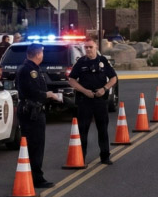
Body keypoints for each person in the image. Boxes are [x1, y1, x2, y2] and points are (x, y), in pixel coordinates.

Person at [67, 39, 119, 165]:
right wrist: (84, 91)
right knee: (83, 130)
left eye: (90, 47)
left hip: (100, 99)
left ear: (96, 46)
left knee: (102, 129)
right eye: (86, 47)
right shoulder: (81, 62)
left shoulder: (103, 61)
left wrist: (104, 88)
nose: (88, 49)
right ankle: (81, 157)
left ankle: (105, 156)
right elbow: (71, 80)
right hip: (85, 100)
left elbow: (113, 78)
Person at [16, 44, 57, 188]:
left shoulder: (29, 68)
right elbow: (31, 91)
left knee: (34, 145)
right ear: (38, 54)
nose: (43, 56)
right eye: (42, 53)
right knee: (36, 145)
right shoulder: (29, 70)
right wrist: (47, 95)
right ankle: (36, 178)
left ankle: (32, 175)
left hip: (33, 110)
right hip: (31, 111)